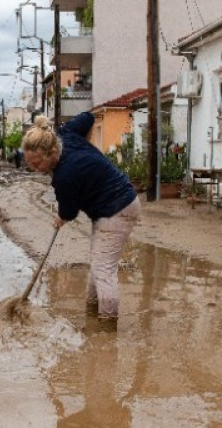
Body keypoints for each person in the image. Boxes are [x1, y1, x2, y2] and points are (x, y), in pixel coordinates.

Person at [22, 112, 141, 321]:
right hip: (113, 205)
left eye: (38, 163)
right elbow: (87, 117)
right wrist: (86, 148)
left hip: (118, 209)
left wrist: (61, 218)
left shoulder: (65, 176)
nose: (36, 169)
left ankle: (107, 328)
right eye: (31, 164)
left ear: (51, 152)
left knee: (104, 269)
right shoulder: (64, 134)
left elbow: (69, 211)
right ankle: (93, 312)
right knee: (99, 263)